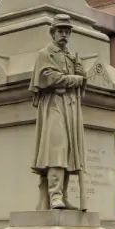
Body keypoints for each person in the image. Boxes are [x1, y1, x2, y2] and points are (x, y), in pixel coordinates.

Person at [30, 15, 89, 209]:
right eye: (60, 31)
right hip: (54, 104)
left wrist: (82, 74)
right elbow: (47, 77)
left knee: (69, 151)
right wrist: (73, 79)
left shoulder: (72, 56)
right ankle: (54, 195)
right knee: (57, 147)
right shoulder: (45, 54)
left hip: (71, 106)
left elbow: (82, 82)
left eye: (67, 31)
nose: (64, 35)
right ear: (53, 33)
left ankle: (62, 196)